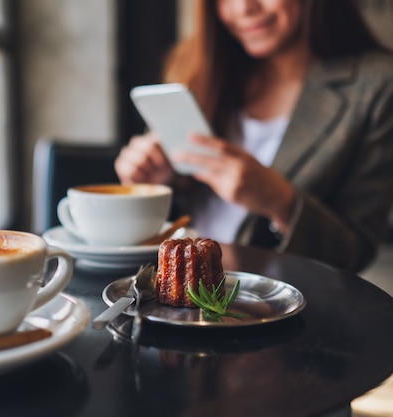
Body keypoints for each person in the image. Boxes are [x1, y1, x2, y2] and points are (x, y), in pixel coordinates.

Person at [115, 0, 393, 272]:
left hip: (278, 303)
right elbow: (168, 220)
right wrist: (152, 185)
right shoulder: (196, 64)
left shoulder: (375, 87)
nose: (243, 8)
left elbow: (355, 253)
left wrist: (279, 201)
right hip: (175, 290)